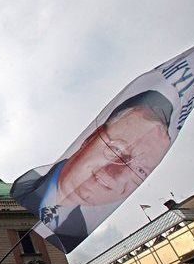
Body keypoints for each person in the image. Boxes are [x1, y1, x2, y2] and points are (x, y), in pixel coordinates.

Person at [11, 91, 173, 252]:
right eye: (116, 149)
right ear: (92, 138)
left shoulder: (75, 232)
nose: (116, 174)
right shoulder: (26, 191)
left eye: (139, 170)